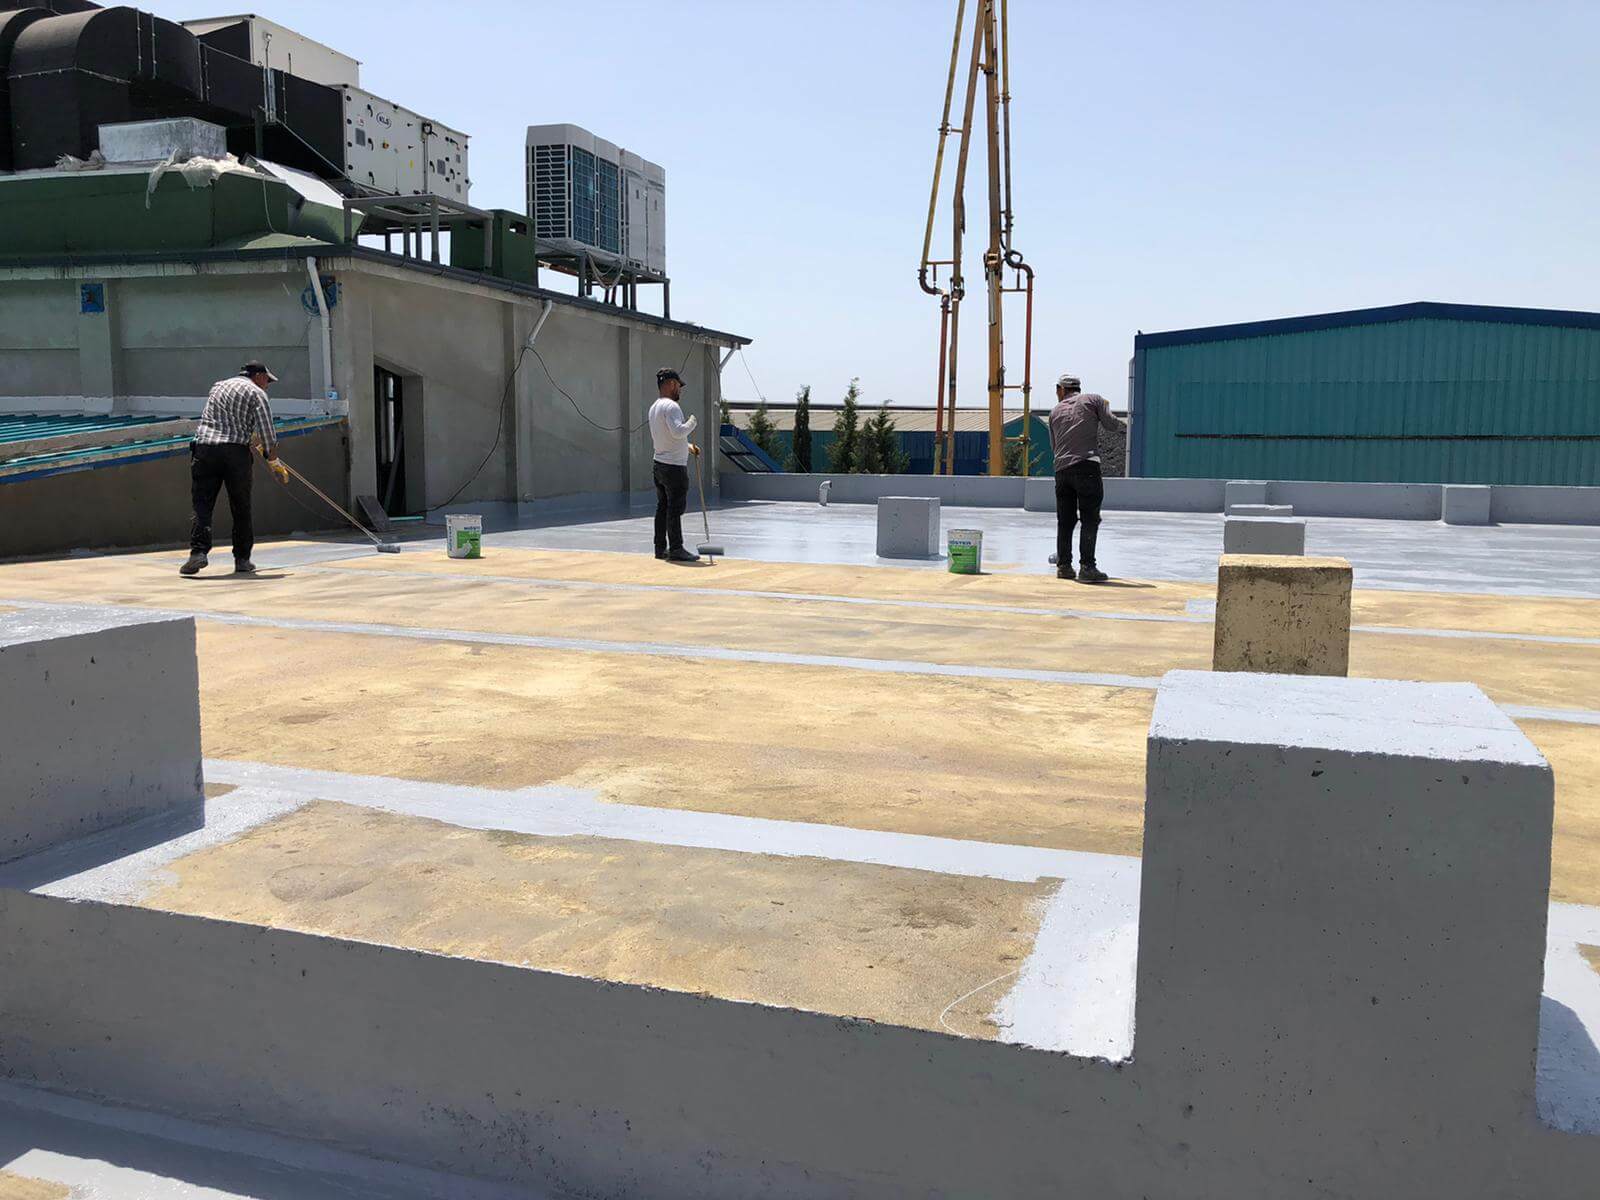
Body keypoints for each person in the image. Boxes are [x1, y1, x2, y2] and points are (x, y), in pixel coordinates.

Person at [180, 361, 288, 576]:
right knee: (241, 506)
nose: (267, 385)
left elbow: (216, 419)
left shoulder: (218, 386)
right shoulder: (257, 393)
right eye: (267, 380)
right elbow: (267, 432)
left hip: (205, 449)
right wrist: (274, 462)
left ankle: (198, 553)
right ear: (258, 376)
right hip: (235, 454)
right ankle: (242, 559)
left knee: (202, 504)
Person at [1048, 373, 1125, 583]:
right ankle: (1087, 568)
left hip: (1062, 471)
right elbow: (1111, 425)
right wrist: (1107, 408)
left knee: (1065, 520)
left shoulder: (1054, 411)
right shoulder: (1093, 400)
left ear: (1060, 389)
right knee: (1090, 518)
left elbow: (1054, 446)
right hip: (1086, 466)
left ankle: (1064, 566)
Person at [648, 367, 701, 562]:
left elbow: (667, 436)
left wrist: (687, 447)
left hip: (659, 464)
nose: (680, 390)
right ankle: (676, 548)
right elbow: (678, 432)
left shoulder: (654, 407)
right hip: (674, 468)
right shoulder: (672, 407)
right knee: (675, 508)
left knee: (662, 506)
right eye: (678, 385)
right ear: (671, 384)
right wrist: (692, 422)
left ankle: (660, 548)